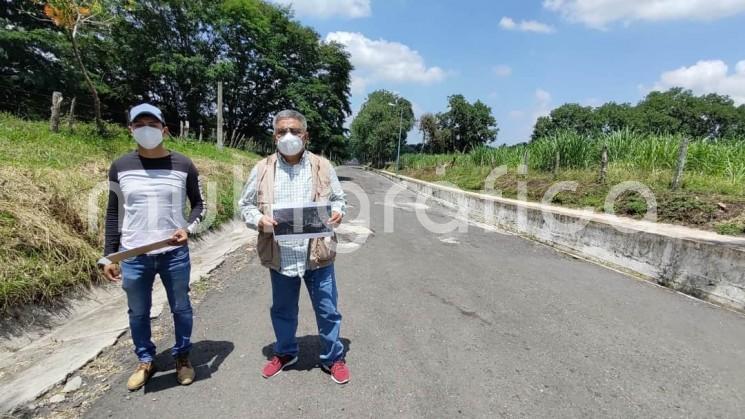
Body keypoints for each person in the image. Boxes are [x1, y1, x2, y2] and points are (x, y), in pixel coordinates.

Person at [98, 103, 206, 391]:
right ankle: (146, 360)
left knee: (181, 308)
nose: (147, 130)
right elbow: (114, 212)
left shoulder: (183, 164)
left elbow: (200, 205)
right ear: (131, 129)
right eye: (139, 124)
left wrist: (188, 229)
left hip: (174, 254)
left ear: (165, 130)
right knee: (137, 312)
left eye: (153, 124)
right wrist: (108, 255)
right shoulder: (120, 166)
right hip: (134, 256)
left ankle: (183, 357)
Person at [239, 110, 350, 384]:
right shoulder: (262, 169)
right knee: (282, 309)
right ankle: (286, 352)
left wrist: (337, 212)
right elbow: (245, 205)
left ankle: (332, 358)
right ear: (274, 136)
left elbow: (339, 199)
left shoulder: (323, 166)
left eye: (295, 131)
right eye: (282, 131)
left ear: (306, 135)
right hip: (281, 255)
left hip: (317, 254)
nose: (288, 136)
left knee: (327, 309)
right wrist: (259, 220)